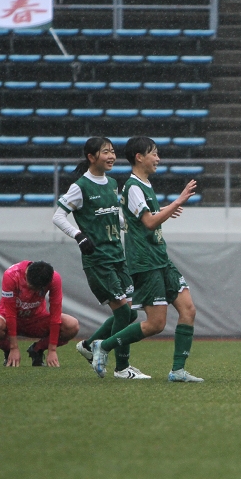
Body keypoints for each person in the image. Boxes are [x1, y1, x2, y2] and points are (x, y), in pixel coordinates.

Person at [90, 136, 203, 383]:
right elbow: (149, 222)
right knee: (155, 324)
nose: (158, 158)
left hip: (160, 256)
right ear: (139, 157)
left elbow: (149, 218)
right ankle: (104, 345)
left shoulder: (145, 184)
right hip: (145, 261)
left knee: (189, 309)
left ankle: (177, 370)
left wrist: (166, 210)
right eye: (154, 153)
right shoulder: (133, 187)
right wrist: (178, 201)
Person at [53, 137, 150, 379]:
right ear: (91, 157)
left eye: (113, 151)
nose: (111, 156)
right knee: (122, 314)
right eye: (105, 151)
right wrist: (78, 236)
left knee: (132, 313)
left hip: (119, 256)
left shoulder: (113, 183)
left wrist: (128, 225)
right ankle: (121, 368)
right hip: (99, 260)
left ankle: (89, 345)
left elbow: (112, 215)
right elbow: (58, 216)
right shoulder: (81, 186)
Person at [0, 260, 79, 367]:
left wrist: (52, 350)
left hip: (36, 320)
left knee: (72, 325)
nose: (32, 291)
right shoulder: (11, 275)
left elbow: (55, 314)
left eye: (37, 289)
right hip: (8, 318)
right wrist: (13, 347)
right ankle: (8, 352)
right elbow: (10, 313)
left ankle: (37, 349)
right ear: (26, 274)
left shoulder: (54, 279)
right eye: (30, 286)